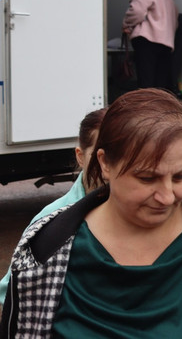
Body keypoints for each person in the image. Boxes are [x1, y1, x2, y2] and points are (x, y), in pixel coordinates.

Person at [0, 89, 182, 338]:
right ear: (105, 164)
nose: (167, 196)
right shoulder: (44, 248)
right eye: (147, 178)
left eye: (180, 176)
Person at [0, 108, 106, 298]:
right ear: (80, 157)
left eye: (120, 154)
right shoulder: (50, 220)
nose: (109, 166)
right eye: (101, 155)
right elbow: (10, 291)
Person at [122, 0, 178, 91]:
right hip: (166, 44)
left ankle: (145, 108)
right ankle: (158, 108)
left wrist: (126, 24)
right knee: (160, 83)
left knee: (145, 81)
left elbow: (136, 11)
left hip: (147, 41)